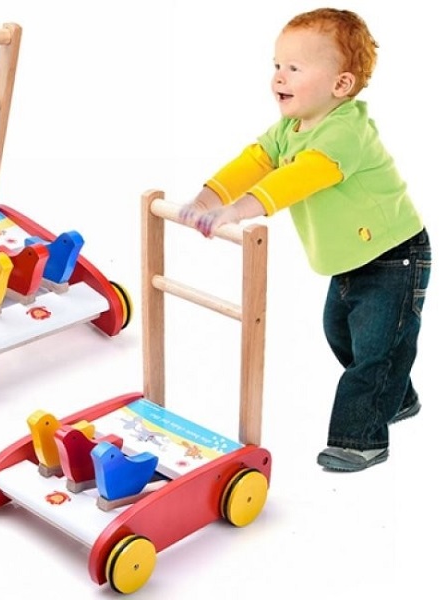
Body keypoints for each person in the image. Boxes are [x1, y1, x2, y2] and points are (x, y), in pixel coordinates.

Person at [179, 8, 432, 472]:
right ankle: (396, 397)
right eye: (277, 65)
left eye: (294, 68)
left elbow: (296, 179)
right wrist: (205, 199)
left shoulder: (345, 132)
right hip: (351, 260)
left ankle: (360, 440)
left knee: (374, 351)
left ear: (341, 84)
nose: (279, 76)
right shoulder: (288, 130)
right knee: (342, 334)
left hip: (394, 256)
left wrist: (236, 211)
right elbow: (254, 161)